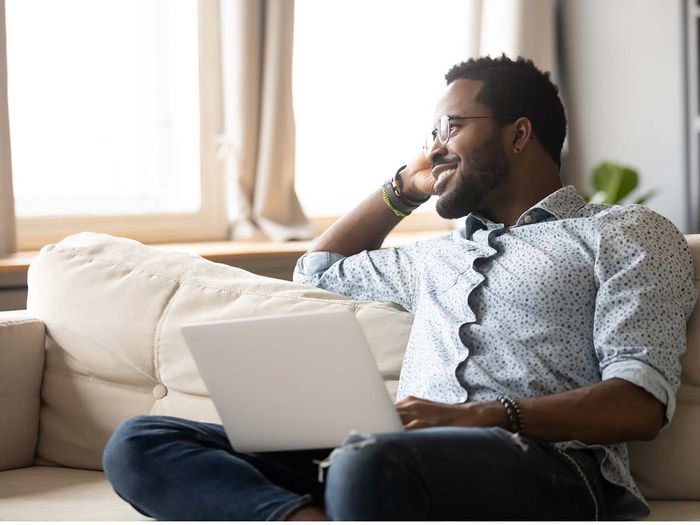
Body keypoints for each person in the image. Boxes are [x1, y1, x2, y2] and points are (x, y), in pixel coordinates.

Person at [102, 55, 696, 520]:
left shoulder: (626, 233)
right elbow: (318, 271)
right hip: (391, 457)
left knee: (368, 462)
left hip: (550, 468)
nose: (434, 147)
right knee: (142, 440)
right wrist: (401, 190)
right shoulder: (436, 256)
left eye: (453, 127)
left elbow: (639, 404)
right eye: (431, 132)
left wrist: (484, 417)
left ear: (519, 135)